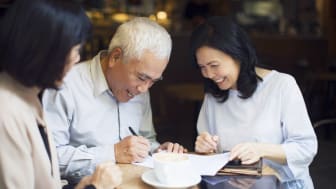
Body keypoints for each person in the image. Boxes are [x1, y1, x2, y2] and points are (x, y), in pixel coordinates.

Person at [42, 17, 185, 182]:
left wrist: (159, 151)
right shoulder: (66, 85)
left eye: (153, 81)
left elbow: (147, 140)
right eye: (141, 77)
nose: (144, 89)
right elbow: (48, 156)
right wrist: (113, 153)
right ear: (115, 57)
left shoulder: (140, 89)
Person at [0, 0, 122, 188]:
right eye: (74, 50)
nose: (77, 59)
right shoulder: (6, 112)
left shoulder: (28, 94)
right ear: (45, 51)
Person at [190, 16, 317, 188]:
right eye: (202, 68)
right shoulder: (213, 95)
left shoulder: (281, 85)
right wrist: (204, 148)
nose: (209, 75)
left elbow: (306, 148)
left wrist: (260, 149)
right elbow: (210, 157)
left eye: (214, 65)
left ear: (238, 55)